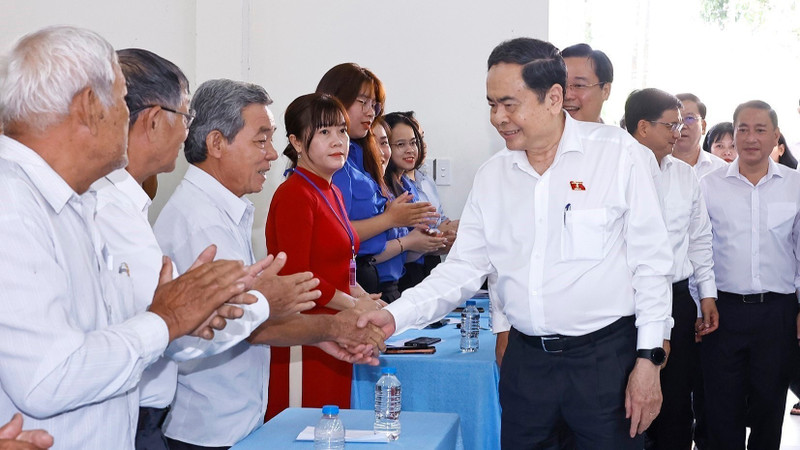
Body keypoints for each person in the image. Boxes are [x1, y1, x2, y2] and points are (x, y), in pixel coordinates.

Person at [359, 37, 674, 449]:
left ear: (554, 97)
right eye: (491, 104)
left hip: (604, 364)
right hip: (527, 368)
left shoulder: (618, 157)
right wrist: (393, 318)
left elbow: (652, 265)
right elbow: (461, 271)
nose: (498, 117)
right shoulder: (494, 177)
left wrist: (649, 360)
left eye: (510, 104)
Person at [0, 26, 255, 449]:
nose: (129, 115)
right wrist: (166, 320)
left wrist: (179, 317)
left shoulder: (73, 200)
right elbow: (48, 377)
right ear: (88, 106)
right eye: (121, 101)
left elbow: (101, 337)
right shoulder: (12, 205)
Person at [153, 79, 384, 449]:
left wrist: (327, 332)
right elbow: (247, 322)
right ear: (216, 143)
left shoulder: (224, 211)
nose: (273, 154)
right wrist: (332, 327)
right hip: (210, 425)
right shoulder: (202, 222)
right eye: (261, 140)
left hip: (233, 416)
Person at [93, 48, 294, 450]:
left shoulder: (131, 204)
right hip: (166, 423)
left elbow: (170, 325)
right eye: (184, 119)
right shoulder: (121, 210)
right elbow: (176, 336)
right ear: (152, 120)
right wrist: (262, 302)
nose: (188, 132)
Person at [265, 92, 386, 417]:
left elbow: (341, 264)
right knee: (304, 427)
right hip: (305, 336)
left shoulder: (329, 189)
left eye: (342, 131)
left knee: (333, 425)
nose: (338, 141)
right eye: (324, 132)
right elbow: (299, 279)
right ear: (297, 142)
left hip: (336, 328)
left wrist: (365, 299)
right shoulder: (295, 194)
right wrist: (353, 304)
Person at [699, 100, 800, 450]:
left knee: (770, 404)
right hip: (722, 312)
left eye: (760, 130)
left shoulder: (795, 184)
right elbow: (700, 250)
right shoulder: (709, 186)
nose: (750, 137)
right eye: (743, 129)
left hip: (778, 312)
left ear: (775, 136)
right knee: (721, 405)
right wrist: (703, 301)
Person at [624, 88, 719, 450]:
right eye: (671, 124)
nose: (678, 131)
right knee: (625, 405)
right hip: (625, 302)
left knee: (677, 403)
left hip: (677, 299)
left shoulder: (684, 175)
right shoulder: (616, 171)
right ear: (643, 127)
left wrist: (706, 294)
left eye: (681, 123)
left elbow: (699, 239)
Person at [315, 63, 437, 300]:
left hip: (368, 278)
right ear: (336, 99)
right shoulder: (333, 163)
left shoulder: (360, 157)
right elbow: (335, 234)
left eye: (375, 105)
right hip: (350, 278)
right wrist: (390, 219)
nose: (371, 111)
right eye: (363, 102)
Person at [380, 112, 448, 291]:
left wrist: (434, 241)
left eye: (413, 142)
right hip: (387, 283)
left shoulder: (407, 185)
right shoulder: (380, 188)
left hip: (413, 274)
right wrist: (417, 243)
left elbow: (412, 246)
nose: (410, 149)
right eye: (401, 144)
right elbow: (373, 253)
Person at [399, 111, 459, 275]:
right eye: (403, 143)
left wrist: (453, 231)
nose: (418, 146)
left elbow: (440, 220)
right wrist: (437, 237)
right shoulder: (395, 186)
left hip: (430, 264)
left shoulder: (426, 181)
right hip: (407, 270)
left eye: (418, 140)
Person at [672, 93, 728, 178]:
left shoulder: (721, 169)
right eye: (676, 120)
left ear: (703, 126)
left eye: (689, 118)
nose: (682, 126)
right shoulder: (656, 165)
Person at [560, 43, 613, 123]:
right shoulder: (538, 134)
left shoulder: (616, 135)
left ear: (605, 91)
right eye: (562, 84)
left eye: (579, 85)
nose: (567, 95)